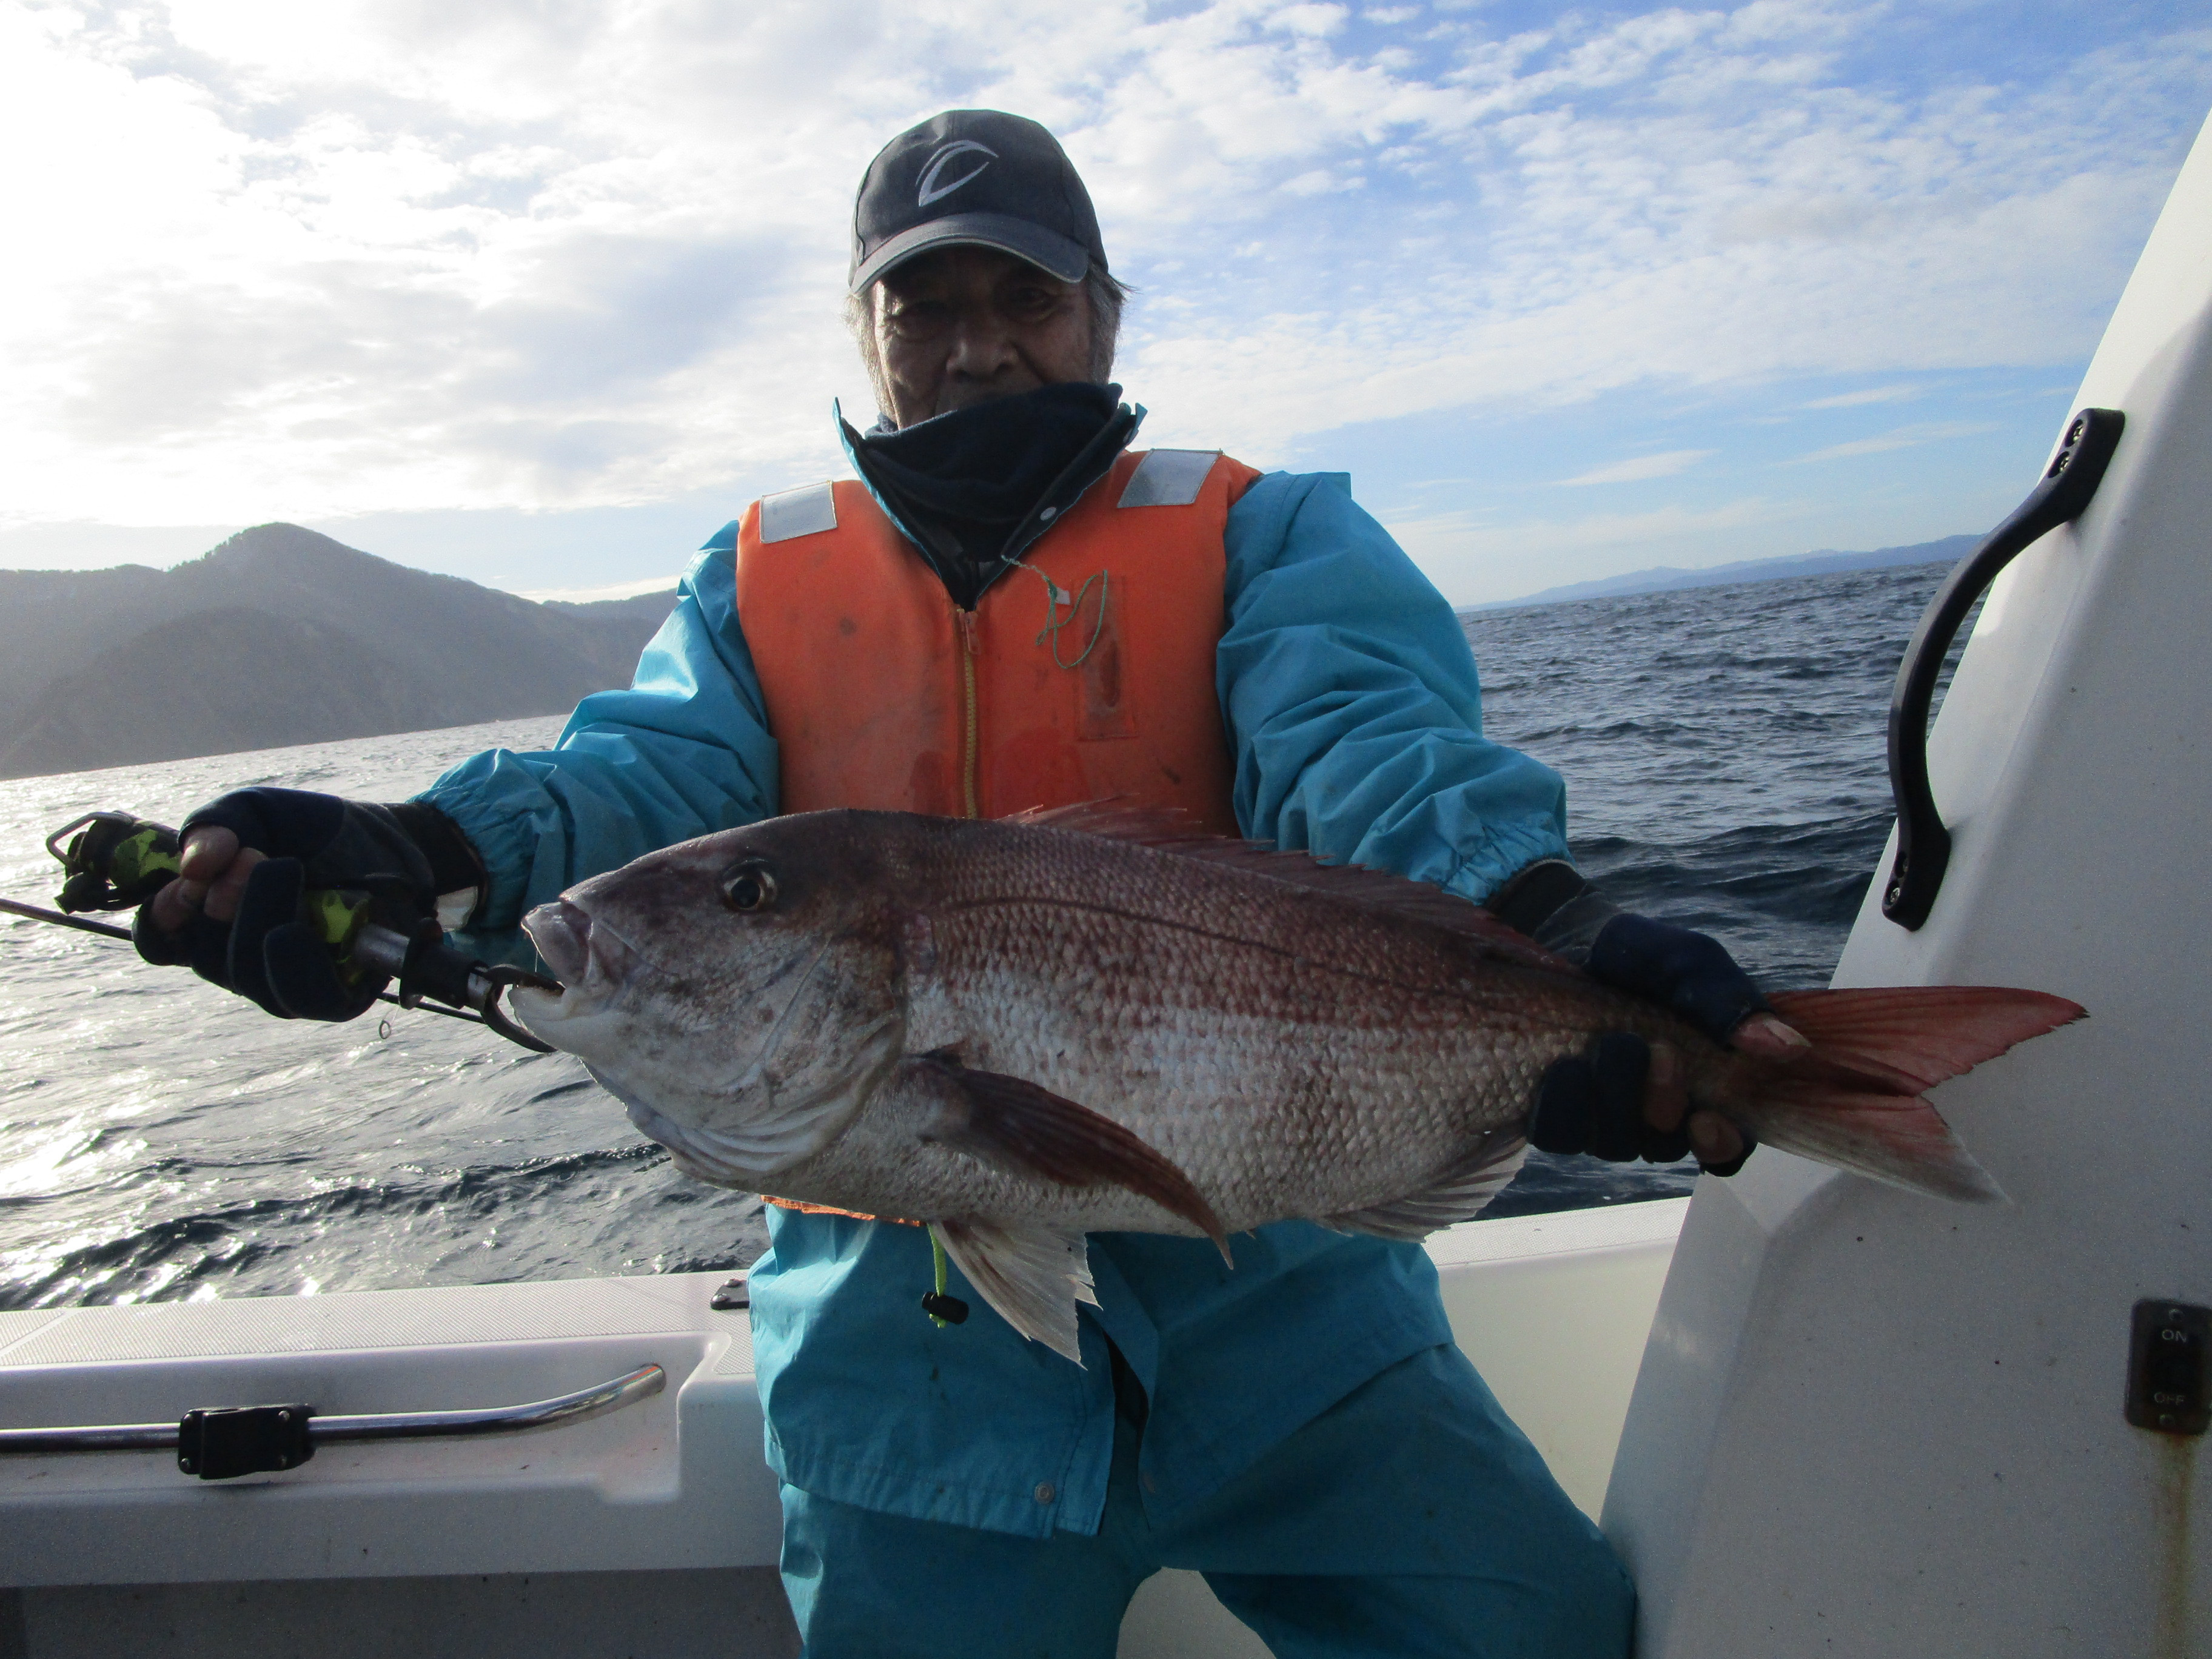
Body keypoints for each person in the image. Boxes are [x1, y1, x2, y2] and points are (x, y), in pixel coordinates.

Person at [141, 109, 1800, 1658]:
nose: (974, 342)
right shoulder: (753, 584)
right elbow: (637, 787)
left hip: (1303, 1336)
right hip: (903, 1374)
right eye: (920, 305)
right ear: (863, 335)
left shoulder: (1265, 535)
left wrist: (1545, 924)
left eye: (1024, 294)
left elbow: (1364, 749)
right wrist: (424, 855)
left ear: (1107, 312)